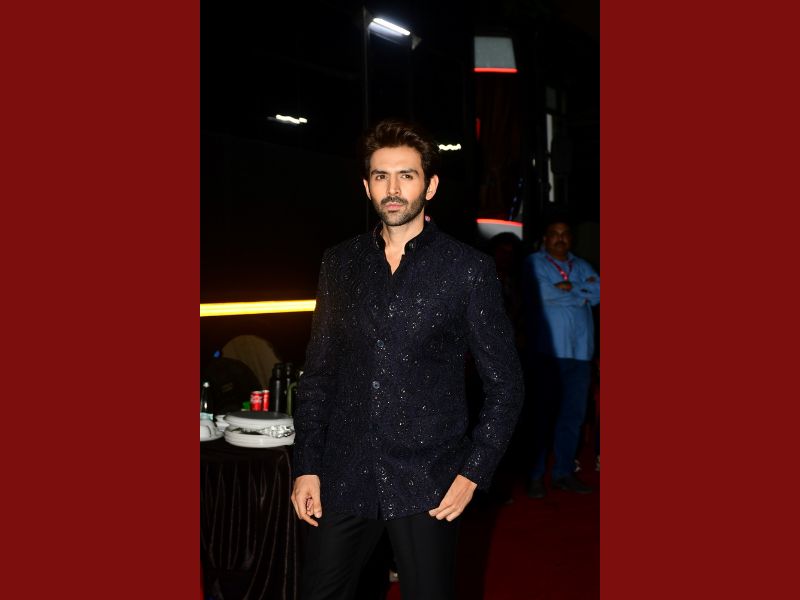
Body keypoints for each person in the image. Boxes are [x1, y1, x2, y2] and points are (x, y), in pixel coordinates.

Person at [291, 118, 524, 600]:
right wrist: (306, 464)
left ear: (430, 186)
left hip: (428, 477)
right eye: (381, 176)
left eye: (407, 175)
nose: (393, 189)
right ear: (366, 186)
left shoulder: (468, 270)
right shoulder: (340, 263)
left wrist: (473, 472)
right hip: (345, 471)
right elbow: (318, 374)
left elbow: (506, 386)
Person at [522, 216, 600, 498]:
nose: (560, 238)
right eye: (554, 233)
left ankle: (563, 473)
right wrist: (582, 291)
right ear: (545, 238)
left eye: (565, 233)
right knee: (542, 416)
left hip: (580, 354)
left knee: (572, 417)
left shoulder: (581, 265)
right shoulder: (534, 263)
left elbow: (599, 292)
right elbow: (542, 295)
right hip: (549, 353)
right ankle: (534, 476)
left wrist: (565, 289)